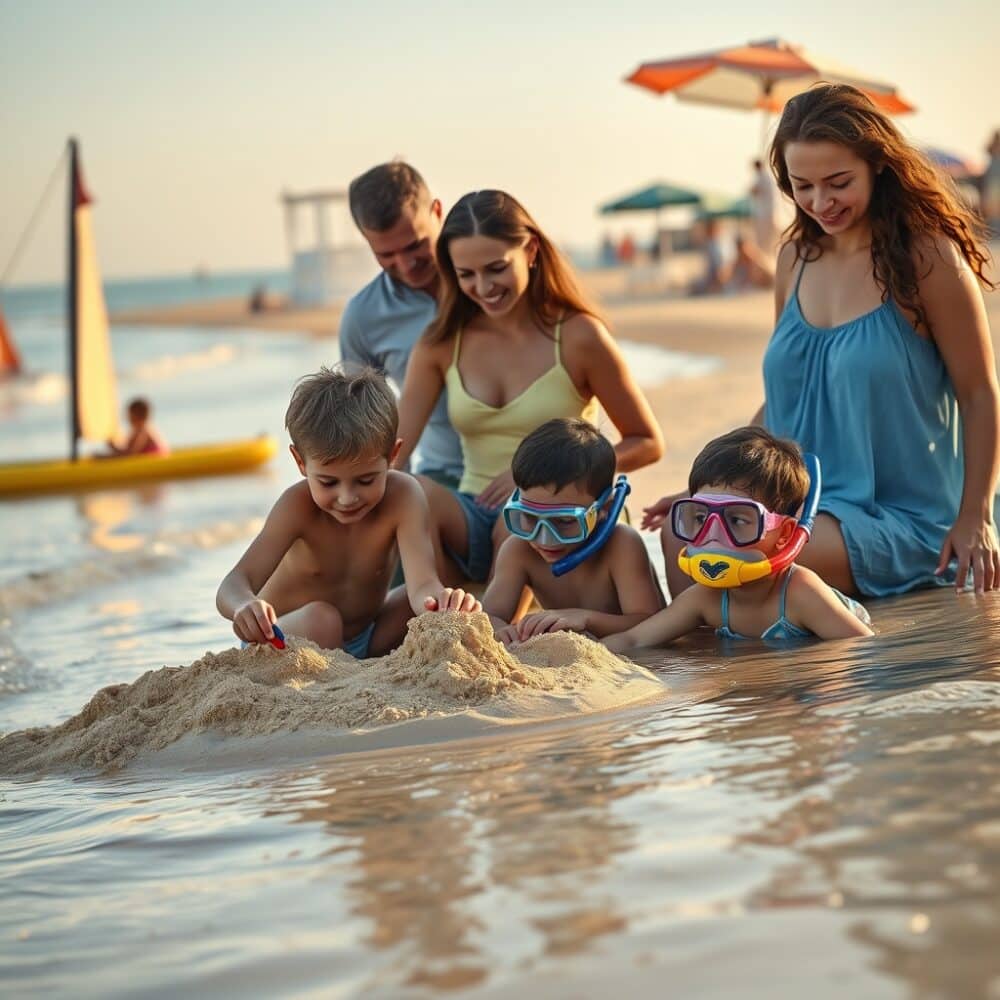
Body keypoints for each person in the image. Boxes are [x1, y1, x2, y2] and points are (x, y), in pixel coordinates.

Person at [645, 84, 1000, 599]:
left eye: (838, 183)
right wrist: (716, 491)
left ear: (878, 164)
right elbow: (788, 397)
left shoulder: (928, 259)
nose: (820, 202)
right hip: (792, 499)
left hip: (902, 516)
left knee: (736, 556)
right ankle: (723, 679)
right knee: (685, 542)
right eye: (802, 186)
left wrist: (975, 517)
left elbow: (979, 393)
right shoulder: (794, 260)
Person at [393, 189, 664, 585]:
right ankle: (440, 616)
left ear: (531, 250)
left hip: (558, 518)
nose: (483, 286)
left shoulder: (577, 336)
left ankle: (504, 621)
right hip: (472, 511)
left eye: (496, 268)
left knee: (521, 522)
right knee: (412, 492)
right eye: (466, 274)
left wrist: (533, 482)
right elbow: (393, 453)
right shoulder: (440, 343)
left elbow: (647, 441)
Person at [216, 366, 480, 656]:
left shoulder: (404, 496)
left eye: (366, 480)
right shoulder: (297, 506)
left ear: (393, 455)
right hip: (284, 639)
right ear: (300, 462)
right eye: (328, 482)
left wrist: (442, 603)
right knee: (323, 618)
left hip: (367, 636)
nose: (347, 498)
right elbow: (234, 583)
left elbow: (422, 584)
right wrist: (244, 605)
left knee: (411, 601)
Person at [604, 427, 873, 654]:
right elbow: (635, 639)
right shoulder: (706, 597)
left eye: (736, 521)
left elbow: (862, 649)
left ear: (785, 535)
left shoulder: (801, 593)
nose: (713, 535)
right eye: (700, 518)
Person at [482, 418, 665, 645]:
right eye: (529, 518)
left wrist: (585, 618)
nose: (544, 537)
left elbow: (652, 622)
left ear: (604, 509)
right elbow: (490, 615)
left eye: (565, 520)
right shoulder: (518, 550)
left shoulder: (622, 545)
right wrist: (500, 630)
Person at [338, 161, 463, 490]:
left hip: (527, 466)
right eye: (386, 254)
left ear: (437, 212)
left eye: (415, 245)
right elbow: (365, 429)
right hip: (441, 475)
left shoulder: (489, 287)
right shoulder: (362, 318)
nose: (406, 265)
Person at [749, 157, 780, 255]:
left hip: (764, 214)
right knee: (767, 240)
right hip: (768, 213)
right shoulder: (766, 177)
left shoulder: (761, 177)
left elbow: (754, 191)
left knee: (763, 241)